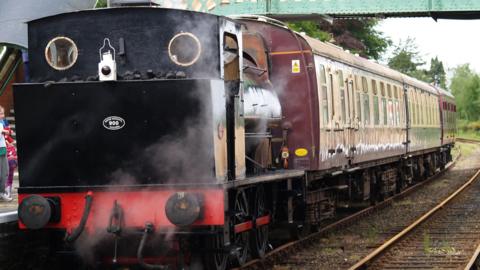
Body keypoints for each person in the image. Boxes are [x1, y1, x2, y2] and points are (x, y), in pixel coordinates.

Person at [0, 106, 11, 201]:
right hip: (1, 150)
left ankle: (2, 191)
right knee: (3, 172)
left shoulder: (2, 122)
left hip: (2, 149)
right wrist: (5, 131)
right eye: (1, 114)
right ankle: (2, 192)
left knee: (5, 171)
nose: (3, 116)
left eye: (3, 113)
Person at [4, 135, 16, 200]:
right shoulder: (11, 147)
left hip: (10, 163)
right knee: (8, 179)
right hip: (9, 163)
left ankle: (7, 193)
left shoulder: (12, 147)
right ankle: (7, 193)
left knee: (8, 179)